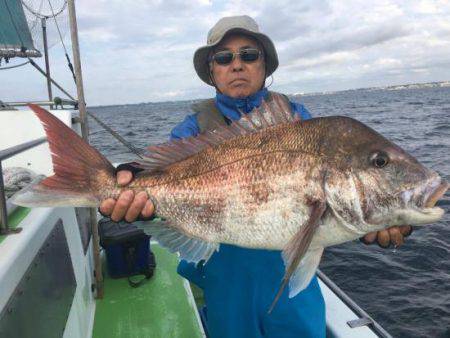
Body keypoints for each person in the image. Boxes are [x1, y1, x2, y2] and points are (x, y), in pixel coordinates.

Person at [99, 15, 413, 338]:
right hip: (225, 284)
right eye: (224, 58)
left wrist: (376, 216)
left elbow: (337, 186)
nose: (237, 65)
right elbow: (159, 167)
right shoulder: (193, 128)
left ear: (265, 65)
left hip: (291, 283)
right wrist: (129, 178)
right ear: (212, 71)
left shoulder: (298, 123)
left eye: (248, 55)